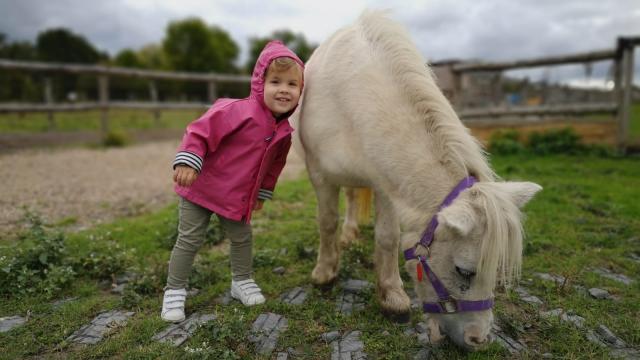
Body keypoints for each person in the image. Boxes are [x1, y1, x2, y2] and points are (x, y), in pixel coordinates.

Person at [161, 41, 304, 322]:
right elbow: (200, 132)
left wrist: (263, 192)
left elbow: (274, 166)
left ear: (301, 92)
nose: (284, 89)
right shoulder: (236, 110)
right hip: (200, 188)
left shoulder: (285, 131)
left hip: (236, 196)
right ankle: (174, 290)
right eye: (275, 81)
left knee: (241, 238)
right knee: (189, 239)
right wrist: (188, 160)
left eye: (292, 84)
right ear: (260, 83)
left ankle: (241, 281)